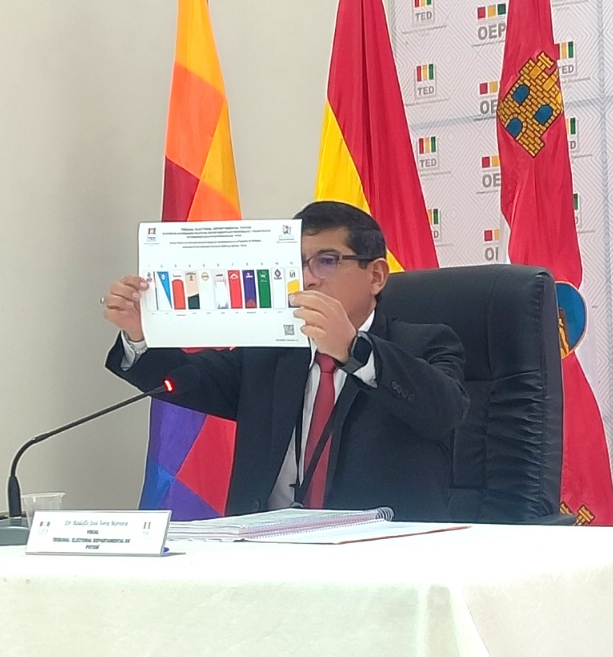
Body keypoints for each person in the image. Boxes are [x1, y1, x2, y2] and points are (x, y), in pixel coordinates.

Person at [102, 200, 468, 521]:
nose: (307, 279)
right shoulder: (269, 354)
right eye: (295, 264)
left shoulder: (425, 344)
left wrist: (352, 349)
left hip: (379, 554)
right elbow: (186, 379)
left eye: (326, 262)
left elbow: (445, 411)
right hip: (265, 552)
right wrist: (139, 333)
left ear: (375, 276)